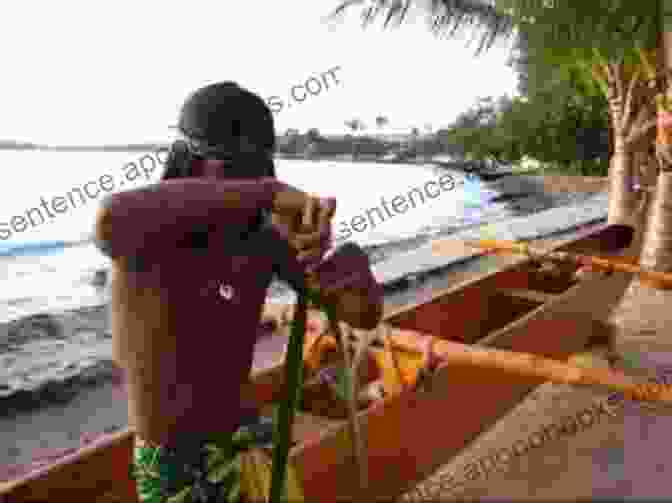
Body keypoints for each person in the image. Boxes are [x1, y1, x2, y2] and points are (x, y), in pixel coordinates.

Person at [94, 81, 383, 502]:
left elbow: (361, 315)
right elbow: (108, 220)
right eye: (232, 172)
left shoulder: (260, 240)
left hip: (248, 444)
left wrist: (357, 279)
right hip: (175, 466)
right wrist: (266, 193)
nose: (246, 187)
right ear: (187, 163)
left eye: (256, 171)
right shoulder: (144, 236)